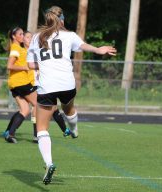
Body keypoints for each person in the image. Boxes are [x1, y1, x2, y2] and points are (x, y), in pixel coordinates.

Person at [27, 6, 117, 185]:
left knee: (42, 128)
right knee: (69, 109)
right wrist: (99, 49)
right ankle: (74, 129)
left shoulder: (36, 37)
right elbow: (84, 46)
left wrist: (46, 66)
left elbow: (30, 65)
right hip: (67, 84)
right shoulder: (69, 36)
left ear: (47, 20)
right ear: (62, 20)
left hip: (47, 86)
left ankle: (49, 163)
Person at [24, 31, 72, 139]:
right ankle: (37, 135)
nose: (30, 39)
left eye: (31, 37)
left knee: (52, 108)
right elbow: (28, 66)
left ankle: (64, 130)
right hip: (32, 83)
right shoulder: (25, 51)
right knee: (37, 108)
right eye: (27, 37)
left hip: (42, 82)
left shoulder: (37, 49)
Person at [2, 27, 37, 144]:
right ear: (14, 36)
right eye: (21, 34)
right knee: (38, 104)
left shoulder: (19, 49)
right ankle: (38, 136)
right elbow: (9, 66)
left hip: (14, 84)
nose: (23, 36)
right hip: (21, 83)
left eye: (23, 34)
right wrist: (24, 67)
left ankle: (10, 134)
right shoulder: (16, 48)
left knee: (25, 110)